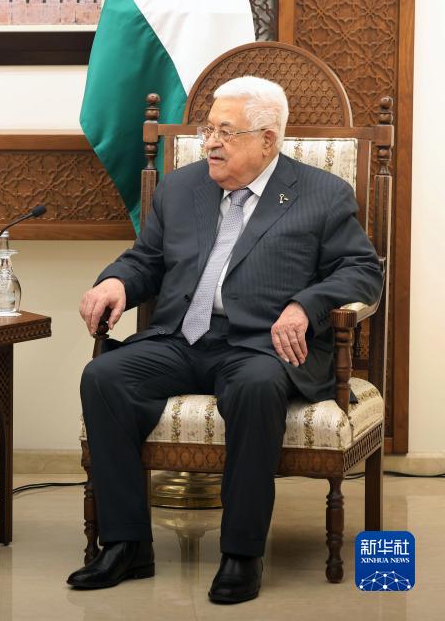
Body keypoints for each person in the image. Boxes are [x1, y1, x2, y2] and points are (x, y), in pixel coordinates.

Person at [68, 76, 382, 604]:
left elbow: (362, 272)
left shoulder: (322, 194)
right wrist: (116, 282)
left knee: (256, 387)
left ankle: (241, 553)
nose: (210, 143)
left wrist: (305, 306)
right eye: (207, 130)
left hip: (261, 345)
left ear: (268, 139)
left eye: (225, 132)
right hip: (181, 338)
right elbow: (147, 259)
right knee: (104, 377)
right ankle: (126, 545)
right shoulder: (180, 188)